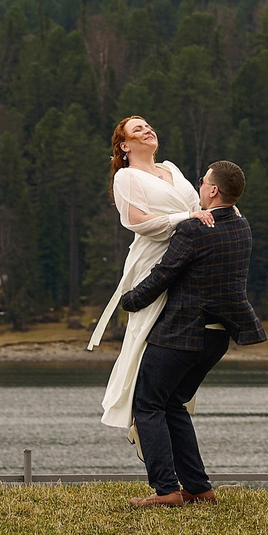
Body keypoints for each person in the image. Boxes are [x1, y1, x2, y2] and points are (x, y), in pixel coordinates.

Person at [116, 160, 265, 507]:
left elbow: (164, 273)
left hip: (182, 334)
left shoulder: (196, 230)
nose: (198, 186)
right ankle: (198, 487)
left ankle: (166, 490)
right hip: (216, 339)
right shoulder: (242, 227)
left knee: (148, 403)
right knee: (172, 403)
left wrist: (130, 300)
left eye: (203, 182)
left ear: (213, 190)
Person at [88, 117, 213, 436]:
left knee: (181, 341)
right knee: (146, 336)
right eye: (138, 129)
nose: (148, 130)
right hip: (153, 261)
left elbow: (199, 209)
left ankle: (168, 410)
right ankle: (138, 414)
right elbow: (137, 222)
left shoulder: (171, 169)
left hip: (188, 260)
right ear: (124, 146)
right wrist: (186, 217)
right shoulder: (126, 177)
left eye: (148, 126)